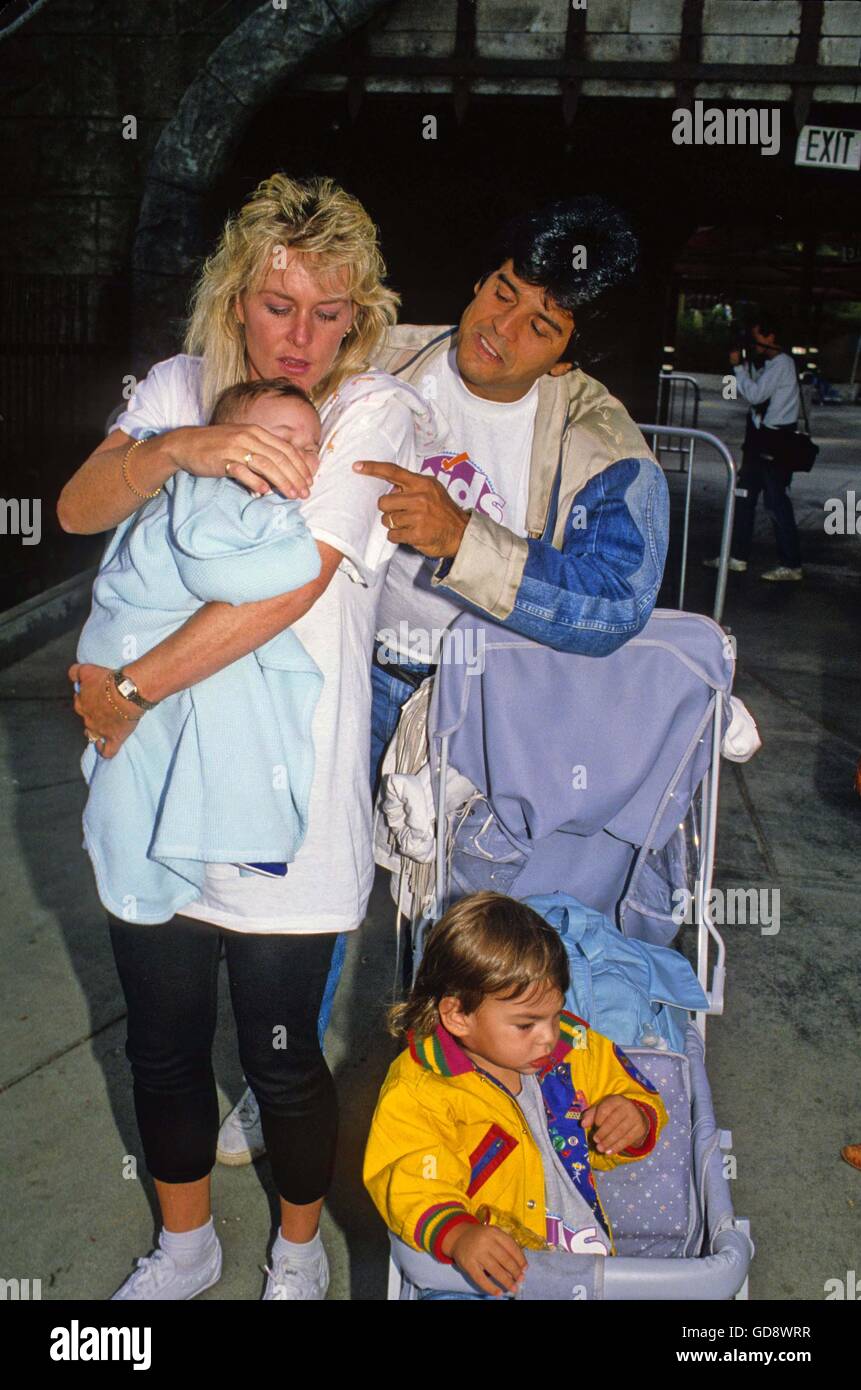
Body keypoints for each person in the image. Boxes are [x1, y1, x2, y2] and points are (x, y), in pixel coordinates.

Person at [216, 194, 672, 1163]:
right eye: (501, 293)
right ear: (480, 278)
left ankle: (447, 1119)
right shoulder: (379, 353)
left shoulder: (600, 437)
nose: (500, 330)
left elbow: (618, 598)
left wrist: (470, 542)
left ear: (571, 350)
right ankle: (282, 1080)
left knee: (452, 927)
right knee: (311, 895)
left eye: (541, 323)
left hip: (478, 709)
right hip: (342, 672)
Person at [59, 172, 442, 1300]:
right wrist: (181, 451)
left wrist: (128, 686)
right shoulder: (181, 385)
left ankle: (296, 1249)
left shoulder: (371, 409)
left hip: (294, 801)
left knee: (282, 1060)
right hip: (157, 794)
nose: (304, 337)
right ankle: (185, 1247)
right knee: (164, 1046)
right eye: (281, 306)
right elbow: (81, 504)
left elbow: (291, 587)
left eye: (332, 312)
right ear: (236, 298)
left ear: (360, 316)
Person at [77, 379, 325, 918]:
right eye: (282, 438)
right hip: (134, 636)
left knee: (163, 765)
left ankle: (209, 845)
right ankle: (236, 838)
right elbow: (219, 571)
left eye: (312, 445)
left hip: (148, 651)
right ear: (229, 442)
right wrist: (297, 552)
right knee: (162, 760)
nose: (300, 455)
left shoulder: (246, 495)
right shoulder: (209, 490)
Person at [363, 892, 668, 1299]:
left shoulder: (574, 1049)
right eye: (526, 1025)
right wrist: (458, 1234)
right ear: (458, 1016)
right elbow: (409, 1177)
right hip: (480, 1271)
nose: (548, 1035)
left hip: (579, 1259)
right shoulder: (423, 1089)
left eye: (555, 1015)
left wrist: (634, 1116)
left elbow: (630, 1089)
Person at [704, 317, 803, 581]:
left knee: (776, 503)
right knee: (744, 498)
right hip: (761, 441)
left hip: (775, 443)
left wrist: (738, 369)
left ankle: (791, 564)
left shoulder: (782, 364)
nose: (755, 343)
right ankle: (737, 556)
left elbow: (756, 395)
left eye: (758, 337)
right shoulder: (772, 363)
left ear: (771, 338)